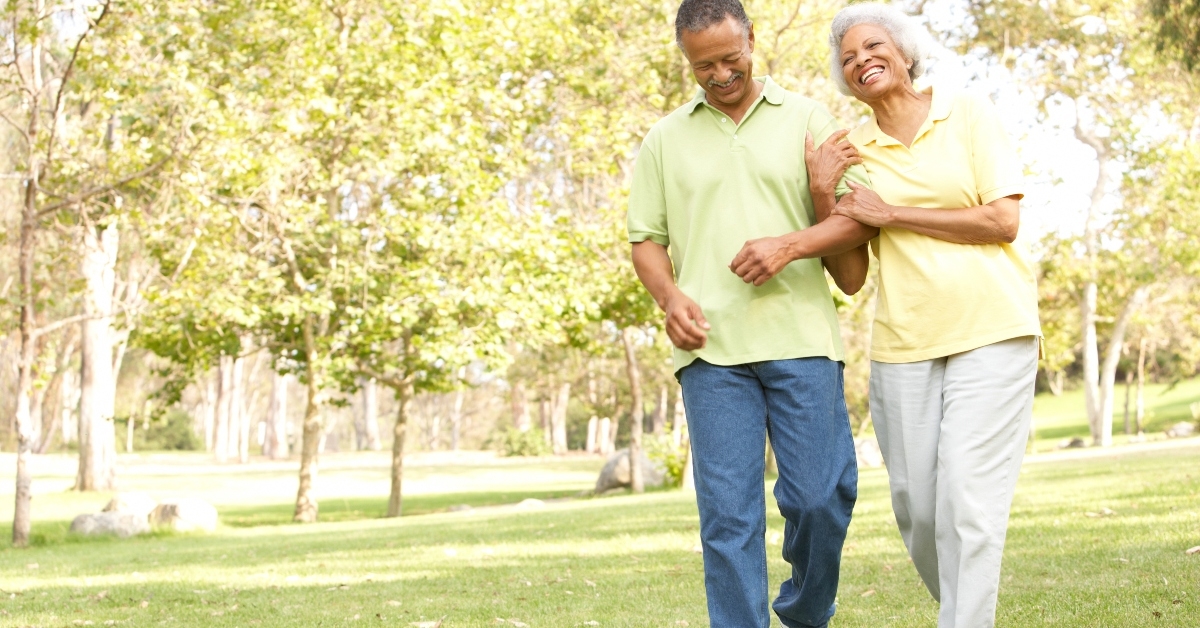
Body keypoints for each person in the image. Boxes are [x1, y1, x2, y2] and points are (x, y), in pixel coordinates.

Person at [770, 4, 1039, 627]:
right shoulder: (851, 151)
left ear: (905, 52)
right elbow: (850, 277)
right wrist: (822, 194)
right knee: (916, 508)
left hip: (993, 328)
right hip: (904, 341)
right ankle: (963, 610)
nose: (861, 60)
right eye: (848, 58)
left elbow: (1002, 220)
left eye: (873, 46)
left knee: (968, 501)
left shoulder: (966, 113)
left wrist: (892, 214)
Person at [627, 1, 878, 626]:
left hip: (802, 339)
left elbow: (858, 220)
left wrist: (787, 245)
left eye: (729, 58)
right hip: (710, 353)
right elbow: (646, 240)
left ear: (752, 40)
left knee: (821, 498)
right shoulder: (664, 140)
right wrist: (670, 298)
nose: (719, 75)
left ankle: (805, 610)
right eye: (702, 66)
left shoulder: (809, 119)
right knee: (728, 519)